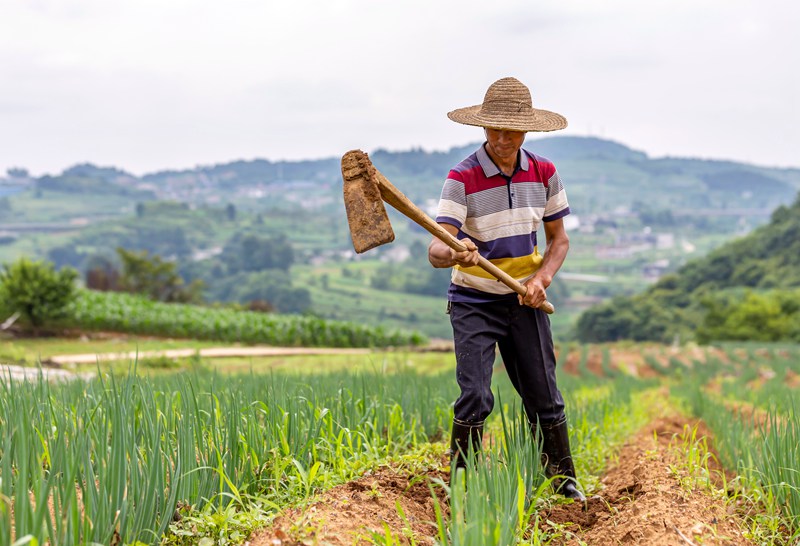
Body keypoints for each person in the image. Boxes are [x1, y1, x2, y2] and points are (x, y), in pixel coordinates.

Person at [428, 76, 584, 501]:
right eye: (494, 129)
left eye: (511, 130)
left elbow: (559, 240)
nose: (502, 138)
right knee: (476, 395)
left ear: (526, 131)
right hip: (474, 300)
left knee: (545, 395)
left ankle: (564, 480)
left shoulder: (545, 172)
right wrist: (455, 249)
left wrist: (541, 279)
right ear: (482, 128)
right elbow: (435, 249)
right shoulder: (461, 177)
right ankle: (462, 484)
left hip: (523, 299)